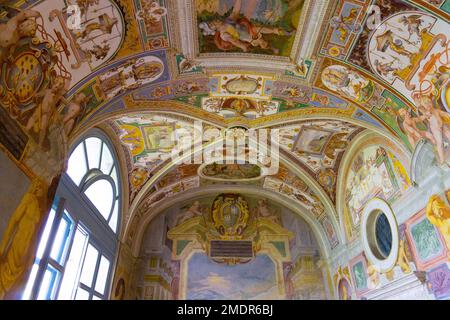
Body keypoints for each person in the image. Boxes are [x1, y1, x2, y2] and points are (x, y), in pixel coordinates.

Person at [0, 179, 47, 299]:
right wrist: (3, 245)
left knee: (15, 284)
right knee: (6, 275)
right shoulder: (29, 199)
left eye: (42, 188)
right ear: (36, 187)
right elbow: (14, 221)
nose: (41, 189)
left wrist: (31, 258)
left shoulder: (39, 210)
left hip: (25, 251)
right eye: (40, 186)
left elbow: (35, 237)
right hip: (18, 243)